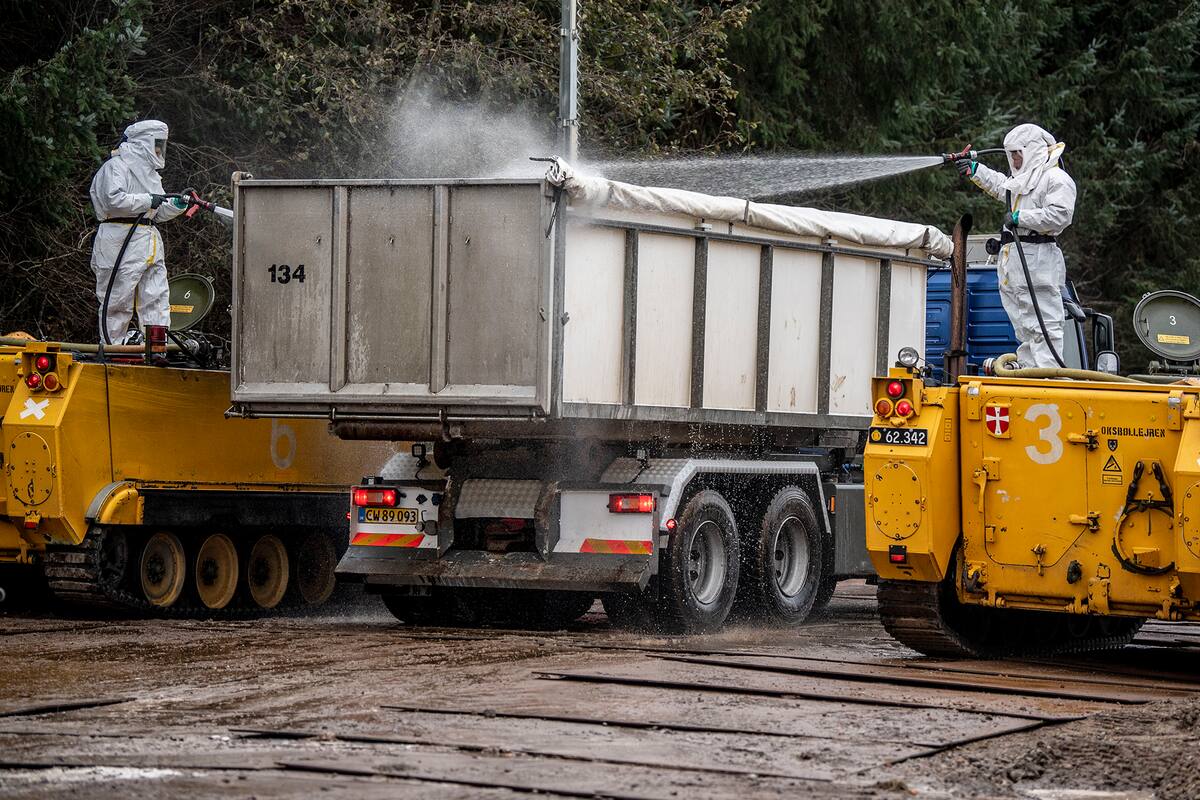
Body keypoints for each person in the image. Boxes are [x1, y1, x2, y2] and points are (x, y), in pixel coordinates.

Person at [957, 123, 1077, 369]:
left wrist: (1021, 218)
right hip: (1014, 260)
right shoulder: (1022, 181)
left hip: (1039, 259)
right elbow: (1002, 186)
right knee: (1023, 324)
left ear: (1032, 150)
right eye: (1011, 154)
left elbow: (1060, 216)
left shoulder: (1055, 179)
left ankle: (1048, 375)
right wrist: (975, 170)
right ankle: (1029, 371)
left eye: (1017, 153)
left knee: (1044, 323)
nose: (1014, 159)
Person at [89, 120, 190, 345]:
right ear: (143, 142)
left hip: (148, 239)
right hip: (119, 238)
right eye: (157, 144)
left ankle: (156, 346)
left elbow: (157, 211)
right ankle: (113, 347)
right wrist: (147, 200)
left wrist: (177, 204)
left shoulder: (151, 175)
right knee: (117, 299)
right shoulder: (116, 167)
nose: (159, 151)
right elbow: (112, 200)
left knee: (156, 296)